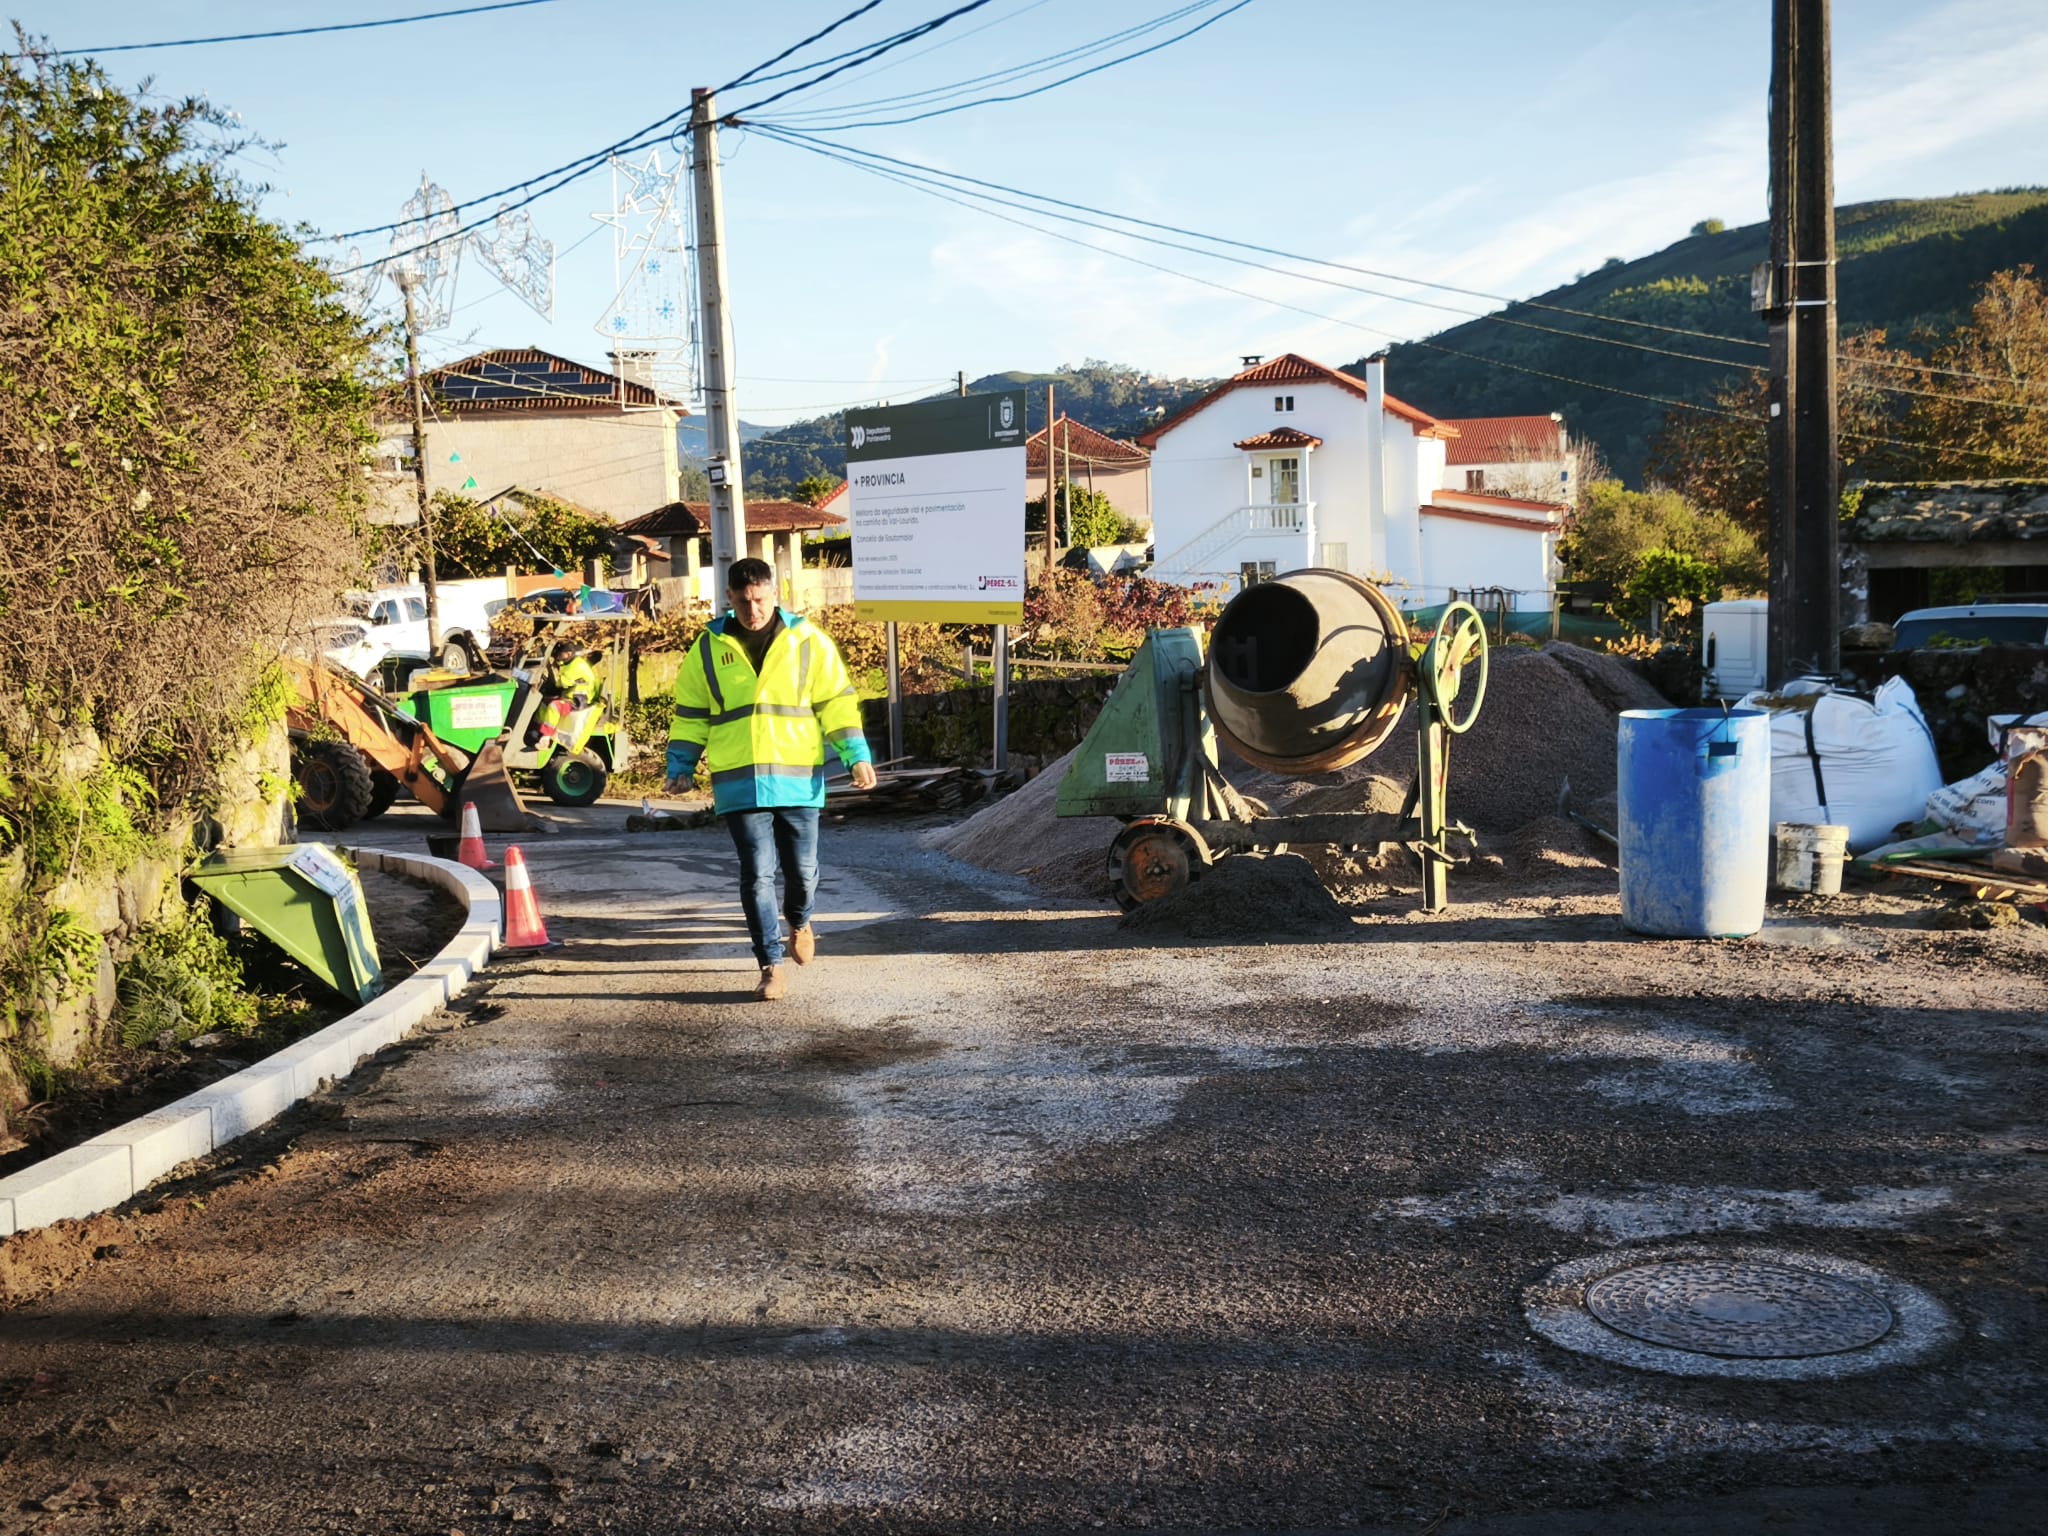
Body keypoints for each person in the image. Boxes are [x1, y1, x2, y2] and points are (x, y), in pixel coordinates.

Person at [664, 557, 877, 1000]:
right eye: (743, 602)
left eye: (760, 600)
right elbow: (691, 714)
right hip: (739, 782)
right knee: (757, 874)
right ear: (729, 598)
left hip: (798, 779)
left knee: (803, 873)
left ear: (775, 594)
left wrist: (855, 756)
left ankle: (799, 919)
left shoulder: (808, 641)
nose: (753, 610)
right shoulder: (707, 648)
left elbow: (836, 702)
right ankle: (770, 966)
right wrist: (680, 766)